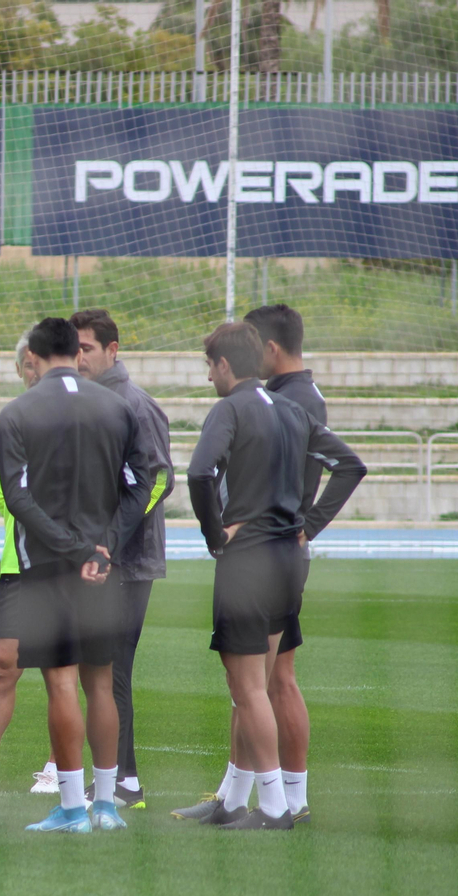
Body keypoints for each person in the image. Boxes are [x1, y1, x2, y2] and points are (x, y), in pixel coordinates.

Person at [178, 322, 365, 829]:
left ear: (222, 366)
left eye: (209, 366)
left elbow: (198, 474)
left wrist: (215, 536)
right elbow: (350, 465)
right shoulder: (291, 410)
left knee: (248, 689)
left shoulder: (230, 410)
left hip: (248, 562)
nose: (209, 376)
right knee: (257, 681)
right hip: (287, 560)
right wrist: (308, 525)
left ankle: (276, 808)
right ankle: (238, 802)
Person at [0, 317, 154, 834]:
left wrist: (71, 548)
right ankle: (106, 807)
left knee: (61, 685)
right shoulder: (116, 407)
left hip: (47, 570)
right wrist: (103, 546)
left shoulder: (17, 411)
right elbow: (143, 484)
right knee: (101, 684)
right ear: (76, 354)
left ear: (35, 358)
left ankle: (70, 809)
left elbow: (17, 497)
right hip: (103, 570)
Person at [71, 309, 173, 810]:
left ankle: (124, 780)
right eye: (74, 348)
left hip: (129, 563)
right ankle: (119, 777)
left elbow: (157, 481)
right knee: (103, 669)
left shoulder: (135, 403)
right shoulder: (90, 401)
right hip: (104, 559)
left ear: (114, 350)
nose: (79, 356)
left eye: (87, 347)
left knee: (111, 669)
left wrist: (112, 538)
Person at [252, 303, 323, 822]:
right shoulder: (297, 395)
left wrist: (306, 525)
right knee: (272, 678)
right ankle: (276, 794)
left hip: (272, 550)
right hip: (283, 549)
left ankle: (284, 798)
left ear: (271, 349)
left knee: (264, 680)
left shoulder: (291, 401)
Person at [0, 333, 40, 795]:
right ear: (20, 369)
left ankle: (63, 768)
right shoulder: (8, 424)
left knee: (70, 668)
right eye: (28, 364)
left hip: (72, 564)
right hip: (19, 564)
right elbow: (4, 496)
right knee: (1, 664)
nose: (34, 371)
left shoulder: (85, 415)